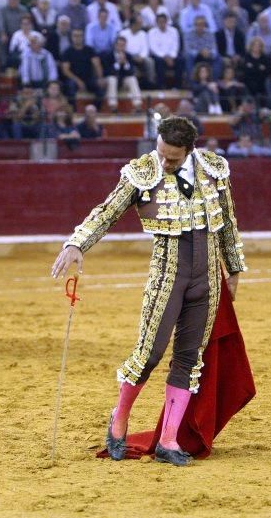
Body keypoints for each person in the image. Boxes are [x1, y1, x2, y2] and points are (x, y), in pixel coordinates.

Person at [51, 116, 246, 466]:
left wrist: (234, 268)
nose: (164, 162)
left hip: (207, 279)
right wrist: (77, 243)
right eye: (161, 153)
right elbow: (107, 211)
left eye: (172, 158)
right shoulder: (144, 171)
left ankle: (169, 439)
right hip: (167, 275)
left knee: (190, 359)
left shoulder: (214, 170)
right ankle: (119, 422)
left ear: (190, 150)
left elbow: (228, 221)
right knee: (149, 354)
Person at [60, 28, 104, 107]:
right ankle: (73, 111)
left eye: (80, 36)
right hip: (74, 79)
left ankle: (95, 109)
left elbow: (97, 65)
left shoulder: (89, 50)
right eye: (75, 36)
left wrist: (100, 78)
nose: (77, 38)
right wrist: (78, 81)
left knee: (100, 88)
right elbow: (65, 71)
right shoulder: (67, 52)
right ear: (72, 37)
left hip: (88, 78)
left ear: (83, 37)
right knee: (70, 87)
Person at [102, 36, 143, 113]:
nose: (121, 47)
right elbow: (107, 72)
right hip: (111, 82)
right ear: (115, 45)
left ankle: (137, 106)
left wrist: (125, 64)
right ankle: (113, 107)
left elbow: (131, 72)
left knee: (132, 79)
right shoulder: (108, 55)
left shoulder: (129, 56)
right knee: (112, 79)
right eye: (119, 45)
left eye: (123, 45)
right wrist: (117, 64)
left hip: (123, 82)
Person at [119, 15, 156, 87]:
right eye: (139, 23)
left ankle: (150, 83)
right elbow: (122, 48)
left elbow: (145, 48)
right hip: (128, 56)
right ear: (133, 24)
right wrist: (132, 57)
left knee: (149, 61)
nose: (141, 25)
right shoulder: (123, 33)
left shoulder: (143, 34)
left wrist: (141, 57)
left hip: (140, 57)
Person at [148, 13, 181, 88]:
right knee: (159, 61)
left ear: (167, 22)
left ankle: (177, 86)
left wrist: (171, 56)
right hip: (158, 56)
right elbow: (153, 48)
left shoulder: (174, 31)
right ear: (156, 22)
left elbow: (175, 46)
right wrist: (165, 57)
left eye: (164, 22)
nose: (162, 24)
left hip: (172, 55)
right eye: (160, 22)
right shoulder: (151, 32)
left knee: (181, 60)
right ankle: (161, 86)